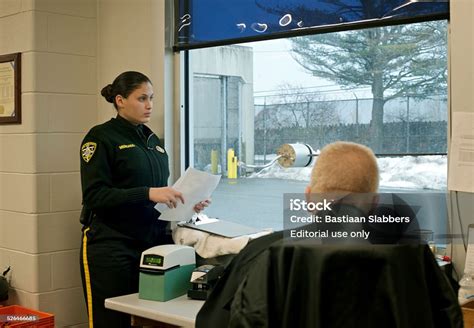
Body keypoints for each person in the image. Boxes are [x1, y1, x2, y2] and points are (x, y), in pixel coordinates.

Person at [196, 141, 461, 327]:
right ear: (375, 201)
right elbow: (448, 318)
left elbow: (218, 321)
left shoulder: (266, 253)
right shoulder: (413, 255)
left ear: (309, 198)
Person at [79, 71, 208, 327]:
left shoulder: (153, 143)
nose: (149, 105)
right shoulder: (101, 137)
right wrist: (148, 193)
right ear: (120, 100)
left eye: (151, 98)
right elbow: (95, 195)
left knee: (147, 320)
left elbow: (158, 197)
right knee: (112, 321)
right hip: (111, 245)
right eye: (141, 98)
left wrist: (186, 202)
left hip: (151, 245)